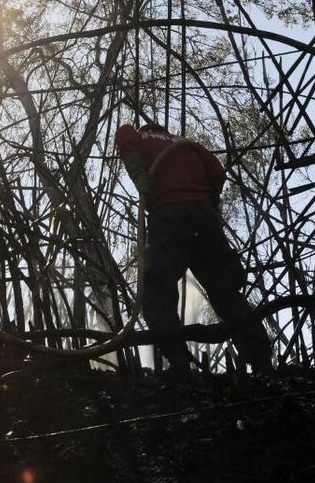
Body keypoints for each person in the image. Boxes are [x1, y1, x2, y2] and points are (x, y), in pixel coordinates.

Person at [115, 122, 272, 376]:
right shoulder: (190, 145)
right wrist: (205, 203)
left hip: (167, 215)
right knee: (225, 291)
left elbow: (123, 134)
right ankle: (261, 358)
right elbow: (218, 174)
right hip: (203, 216)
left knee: (157, 292)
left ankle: (179, 363)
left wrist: (142, 177)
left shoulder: (138, 135)